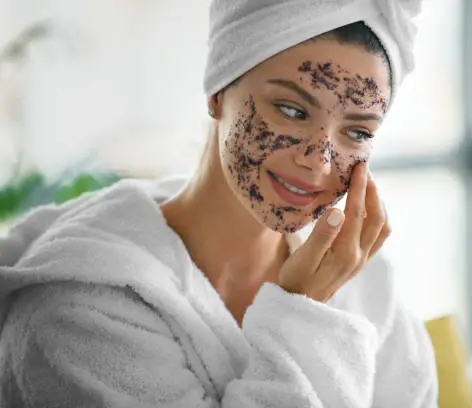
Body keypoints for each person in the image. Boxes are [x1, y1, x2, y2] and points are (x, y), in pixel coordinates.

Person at [0, 0, 438, 406]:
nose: (320, 161)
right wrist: (304, 309)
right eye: (291, 110)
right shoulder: (78, 312)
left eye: (357, 133)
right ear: (217, 90)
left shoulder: (366, 290)